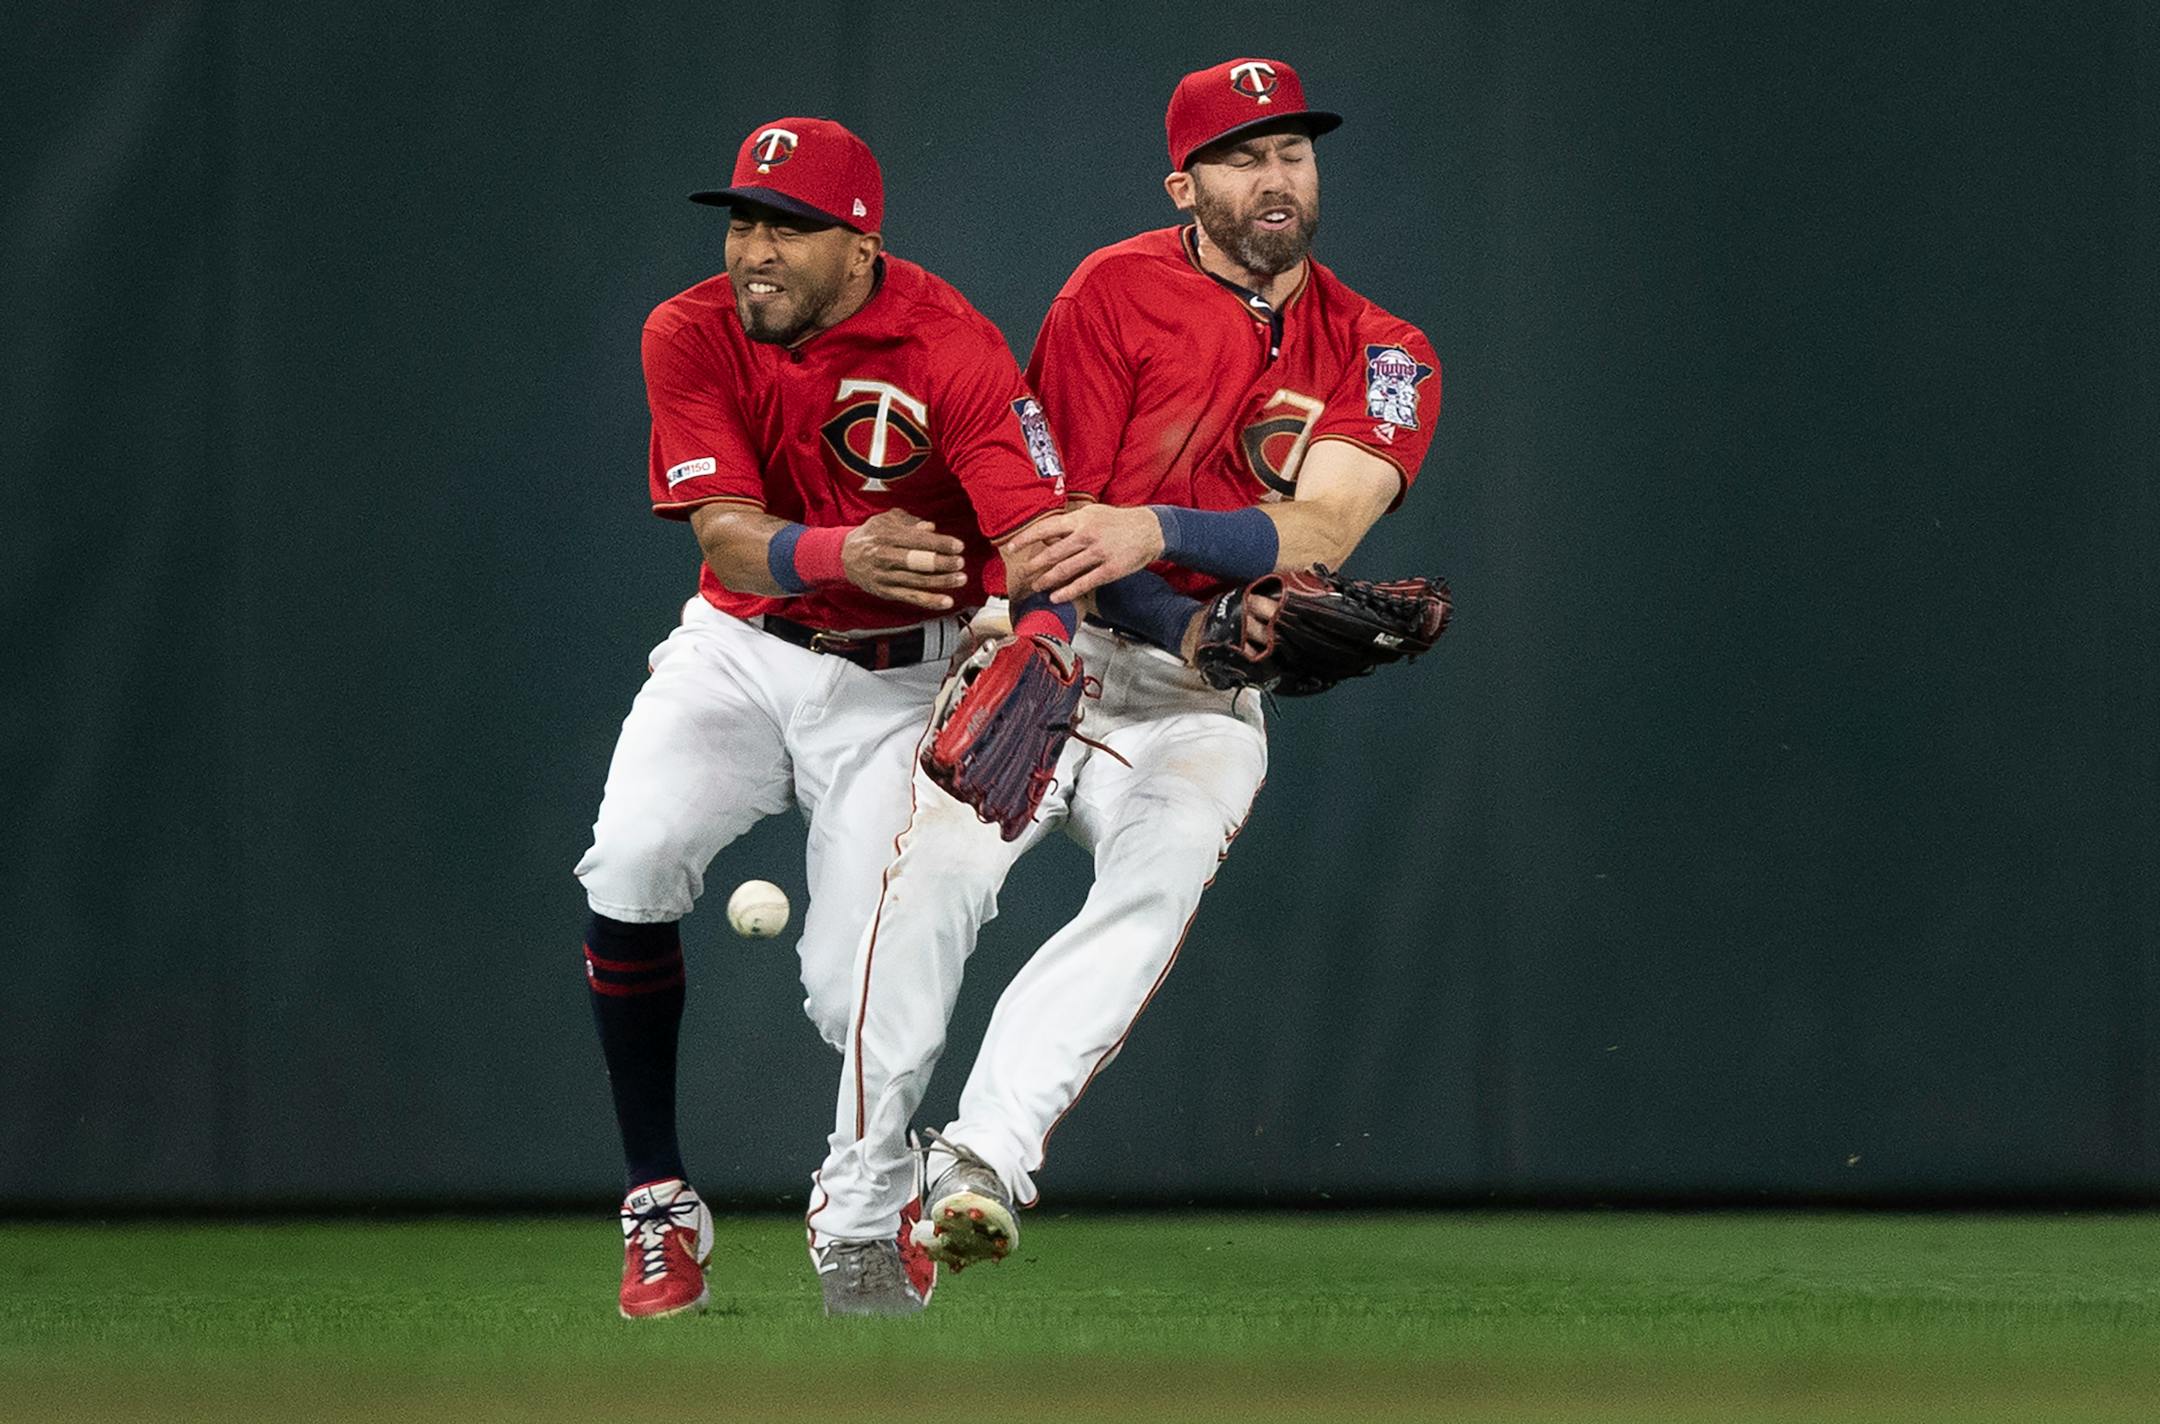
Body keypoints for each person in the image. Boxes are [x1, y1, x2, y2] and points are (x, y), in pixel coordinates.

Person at [803, 56, 1444, 1289]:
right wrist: (1172, 603)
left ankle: (979, 1161)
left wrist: (1181, 585)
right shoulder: (1113, 292)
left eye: (1294, 151)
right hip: (1067, 653)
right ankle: (862, 1184)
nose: (1277, 175)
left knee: (1149, 894)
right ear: (1183, 182)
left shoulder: (1383, 346)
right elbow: (1057, 526)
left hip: (1202, 708)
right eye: (1243, 155)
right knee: (931, 889)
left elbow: (1325, 529)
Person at [575, 115, 1079, 1320]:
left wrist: (1042, 634)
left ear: (860, 244)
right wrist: (844, 547)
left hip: (903, 679)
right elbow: (725, 535)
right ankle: (659, 1197)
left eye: (790, 229)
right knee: (632, 859)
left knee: (849, 993)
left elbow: (1036, 544)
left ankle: (876, 1180)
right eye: (745, 220)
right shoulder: (688, 329)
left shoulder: (953, 346)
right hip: (742, 649)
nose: (756, 249)